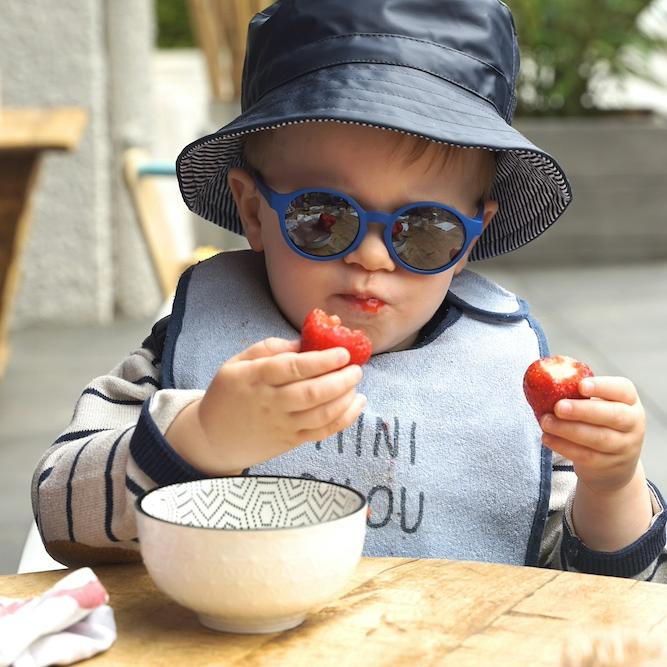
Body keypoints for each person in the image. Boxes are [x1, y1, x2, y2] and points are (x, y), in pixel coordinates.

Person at [32, 0, 666, 582]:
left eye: (424, 231)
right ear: (253, 213)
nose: (370, 256)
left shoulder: (505, 376)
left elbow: (604, 589)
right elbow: (60, 512)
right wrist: (201, 438)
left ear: (471, 239)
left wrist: (610, 486)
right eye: (323, 218)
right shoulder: (192, 344)